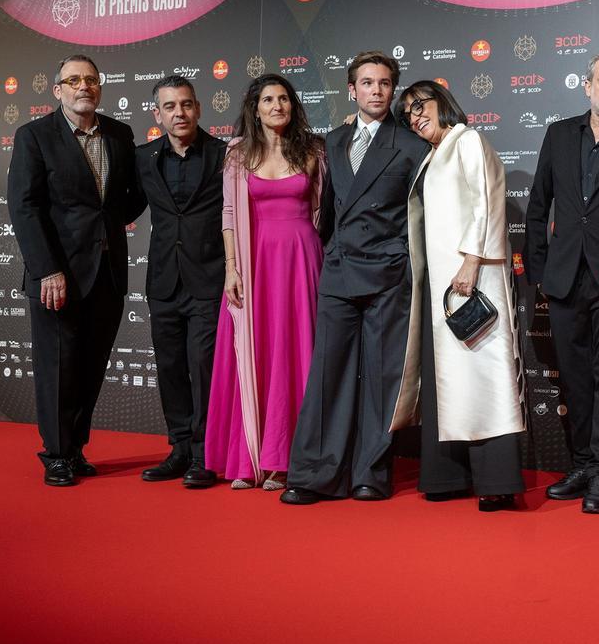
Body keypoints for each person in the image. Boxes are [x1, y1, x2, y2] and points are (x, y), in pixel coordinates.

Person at [281, 51, 430, 505]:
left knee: (383, 377)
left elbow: (422, 217)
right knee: (328, 373)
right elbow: (324, 210)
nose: (376, 91)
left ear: (393, 90)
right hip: (340, 269)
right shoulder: (332, 140)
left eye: (385, 84)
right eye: (367, 83)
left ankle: (371, 472)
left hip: (388, 273)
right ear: (352, 90)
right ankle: (314, 474)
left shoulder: (411, 146)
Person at [7, 54, 146, 486]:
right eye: (73, 80)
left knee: (89, 366)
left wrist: (107, 226)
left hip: (107, 271)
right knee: (58, 367)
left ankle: (75, 448)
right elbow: (24, 207)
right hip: (57, 275)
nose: (83, 86)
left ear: (99, 87)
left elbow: (132, 197)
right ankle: (56, 453)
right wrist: (47, 269)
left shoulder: (120, 134)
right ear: (58, 89)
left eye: (91, 80)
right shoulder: (34, 136)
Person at [523, 51, 599, 514]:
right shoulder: (558, 134)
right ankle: (580, 463)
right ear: (587, 85)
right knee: (575, 380)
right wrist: (539, 272)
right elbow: (538, 207)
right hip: (563, 278)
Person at [398, 81, 526, 511]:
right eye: (409, 113)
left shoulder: (467, 139)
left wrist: (472, 261)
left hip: (474, 277)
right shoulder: (433, 154)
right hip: (443, 287)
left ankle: (498, 481)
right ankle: (449, 475)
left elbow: (487, 202)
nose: (416, 116)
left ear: (443, 103)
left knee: (484, 376)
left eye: (421, 105)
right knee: (451, 380)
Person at [205, 74, 326, 490]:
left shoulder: (313, 149)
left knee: (296, 354)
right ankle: (251, 456)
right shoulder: (237, 154)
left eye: (284, 99)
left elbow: (321, 211)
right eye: (268, 99)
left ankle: (288, 459)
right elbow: (227, 214)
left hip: (301, 261)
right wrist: (231, 268)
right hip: (255, 265)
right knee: (253, 353)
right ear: (254, 108)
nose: (277, 106)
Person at [133, 75, 227, 488]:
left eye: (186, 104)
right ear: (158, 114)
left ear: (199, 108)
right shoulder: (143, 158)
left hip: (209, 278)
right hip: (163, 281)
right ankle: (179, 450)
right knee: (170, 367)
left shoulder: (225, 154)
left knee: (203, 367)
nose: (179, 113)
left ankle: (205, 454)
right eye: (170, 107)